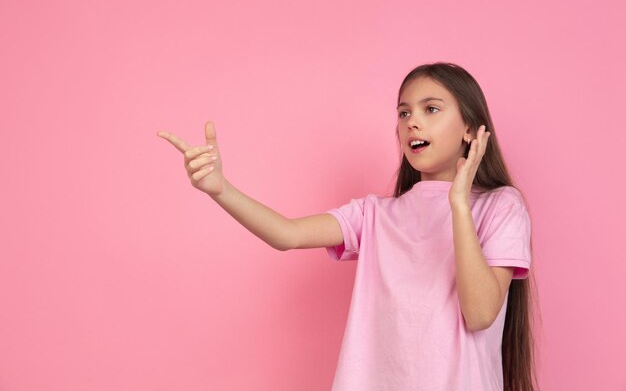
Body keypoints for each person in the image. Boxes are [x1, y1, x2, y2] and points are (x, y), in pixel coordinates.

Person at [156, 61, 540, 391]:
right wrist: (220, 189)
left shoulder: (500, 205)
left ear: (471, 130)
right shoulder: (375, 215)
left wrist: (458, 202)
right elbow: (287, 234)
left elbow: (480, 314)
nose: (412, 123)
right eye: (404, 113)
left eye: (431, 109)